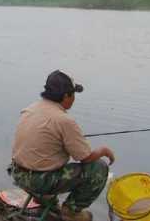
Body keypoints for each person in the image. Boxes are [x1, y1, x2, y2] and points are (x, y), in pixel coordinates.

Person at [9, 70, 115, 221]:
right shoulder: (64, 121)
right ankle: (71, 212)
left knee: (50, 163)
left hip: (17, 173)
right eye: (73, 94)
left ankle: (45, 203)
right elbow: (85, 158)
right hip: (38, 181)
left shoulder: (31, 108)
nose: (74, 99)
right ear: (66, 96)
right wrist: (103, 150)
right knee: (99, 167)